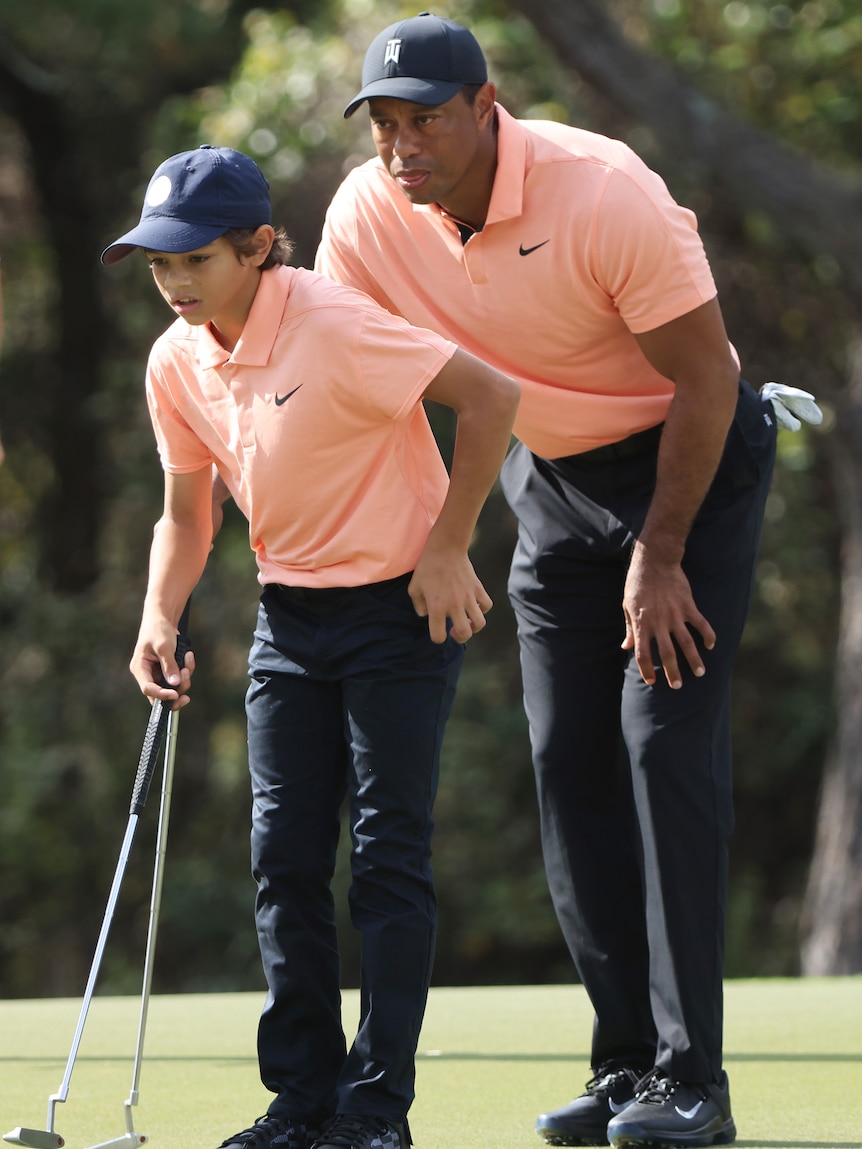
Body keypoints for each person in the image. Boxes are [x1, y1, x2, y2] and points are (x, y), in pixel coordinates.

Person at [314, 13, 779, 1148]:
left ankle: (693, 1083)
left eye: (423, 116)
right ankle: (624, 1065)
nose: (400, 143)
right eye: (382, 122)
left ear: (486, 106)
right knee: (568, 759)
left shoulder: (599, 187)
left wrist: (661, 553)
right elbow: (345, 371)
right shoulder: (369, 212)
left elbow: (707, 383)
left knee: (660, 745)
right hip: (557, 481)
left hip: (688, 465)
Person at [101, 144, 518, 1149]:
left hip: (397, 612)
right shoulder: (177, 359)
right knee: (282, 859)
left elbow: (491, 397)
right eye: (159, 264)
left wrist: (449, 546)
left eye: (193, 260)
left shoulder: (335, 323)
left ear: (256, 246)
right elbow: (189, 517)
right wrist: (160, 613)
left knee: (385, 859)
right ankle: (300, 1100)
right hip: (289, 617)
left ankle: (375, 1110)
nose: (174, 282)